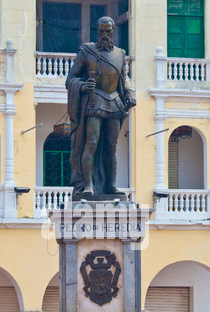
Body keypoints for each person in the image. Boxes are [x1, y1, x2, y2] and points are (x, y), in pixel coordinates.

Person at [66, 16, 136, 197]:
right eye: (101, 31)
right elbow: (71, 79)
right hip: (94, 100)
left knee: (111, 146)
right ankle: (87, 185)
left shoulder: (120, 54)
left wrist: (129, 92)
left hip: (114, 101)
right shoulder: (86, 51)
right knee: (91, 142)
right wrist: (82, 86)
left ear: (113, 31)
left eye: (108, 31)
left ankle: (111, 186)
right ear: (97, 31)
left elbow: (123, 79)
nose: (104, 35)